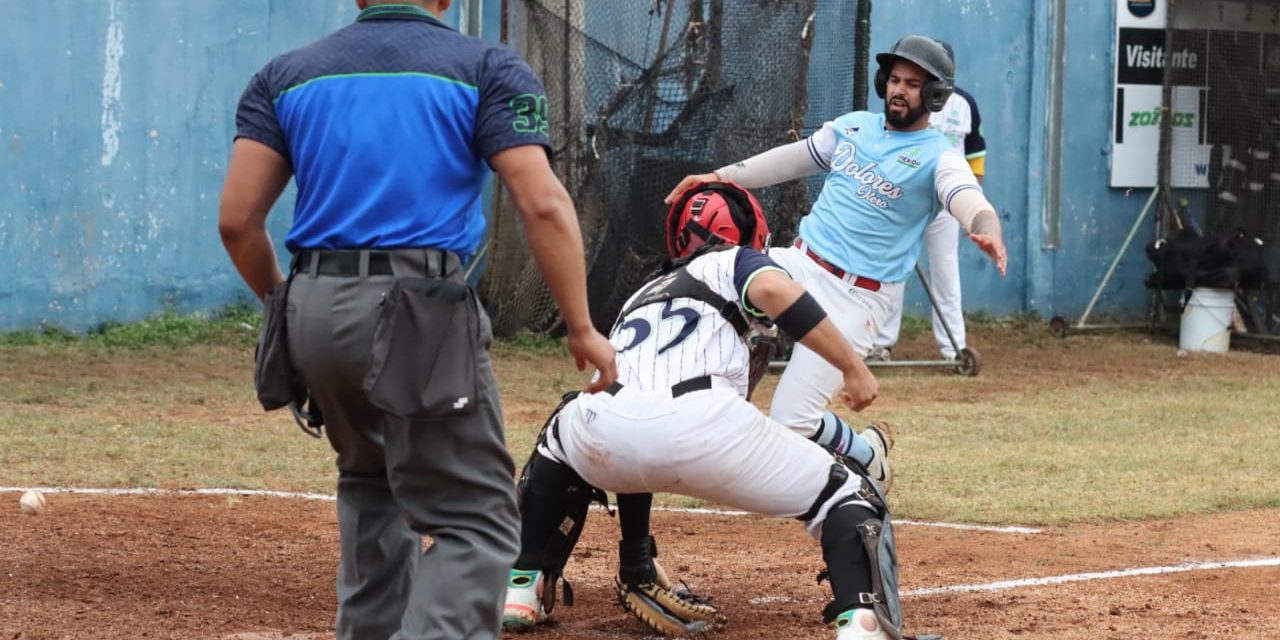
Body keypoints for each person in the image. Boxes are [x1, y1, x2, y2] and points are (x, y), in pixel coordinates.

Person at [217, 1, 616, 639]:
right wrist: (580, 324)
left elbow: (237, 221)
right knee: (479, 518)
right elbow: (541, 203)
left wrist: (286, 309)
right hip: (420, 310)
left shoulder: (284, 74)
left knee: (372, 487)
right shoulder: (486, 66)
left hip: (314, 303)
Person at [501, 182, 916, 640]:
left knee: (564, 428)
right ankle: (863, 625)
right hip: (703, 423)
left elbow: (641, 431)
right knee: (850, 495)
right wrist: (852, 367)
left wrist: (635, 557)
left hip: (602, 431)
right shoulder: (733, 260)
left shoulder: (642, 293)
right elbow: (775, 289)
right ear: (747, 233)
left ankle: (522, 582)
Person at [665, 35, 1008, 493]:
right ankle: (692, 401)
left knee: (791, 421)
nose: (898, 90)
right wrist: (719, 177)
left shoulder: (937, 156)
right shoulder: (854, 128)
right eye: (894, 80)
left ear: (935, 95)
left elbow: (967, 197)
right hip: (799, 264)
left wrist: (987, 226)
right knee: (712, 281)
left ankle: (868, 454)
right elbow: (787, 161)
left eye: (912, 84)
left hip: (857, 299)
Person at [869, 40, 988, 363]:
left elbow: (976, 154)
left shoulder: (965, 103)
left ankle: (954, 350)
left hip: (948, 202)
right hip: (904, 198)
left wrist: (971, 204)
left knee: (946, 271)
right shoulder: (906, 100)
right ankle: (880, 344)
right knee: (892, 269)